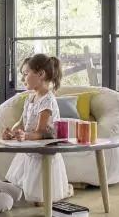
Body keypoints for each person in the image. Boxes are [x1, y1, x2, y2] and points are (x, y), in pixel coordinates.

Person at [4, 54, 70, 203]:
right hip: (30, 148)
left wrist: (24, 136)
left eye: (26, 74)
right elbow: (21, 123)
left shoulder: (47, 99)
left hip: (42, 150)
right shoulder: (30, 98)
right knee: (26, 192)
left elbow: (41, 132)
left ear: (40, 74)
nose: (22, 79)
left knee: (40, 198)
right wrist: (12, 132)